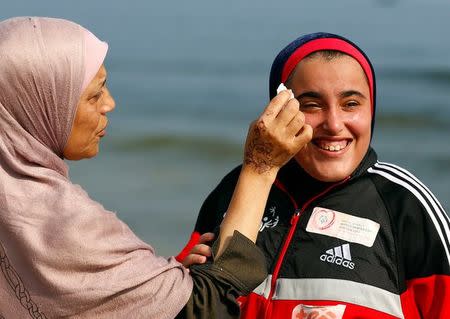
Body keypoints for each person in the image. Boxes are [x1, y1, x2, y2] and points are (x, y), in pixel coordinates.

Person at [0, 17, 313, 319]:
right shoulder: (60, 226)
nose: (109, 103)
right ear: (38, 103)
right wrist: (261, 167)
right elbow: (208, 307)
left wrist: (159, 284)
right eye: (95, 94)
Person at [178, 32, 450, 318]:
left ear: (372, 108)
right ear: (278, 109)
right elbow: (199, 302)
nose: (334, 124)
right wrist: (179, 281)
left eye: (351, 104)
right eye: (311, 104)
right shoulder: (241, 187)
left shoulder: (403, 203)